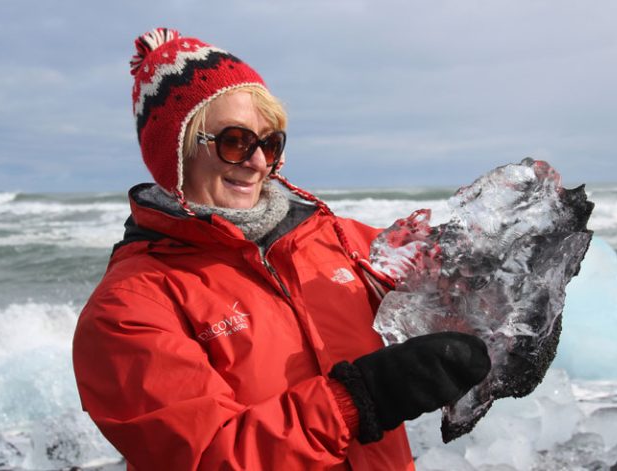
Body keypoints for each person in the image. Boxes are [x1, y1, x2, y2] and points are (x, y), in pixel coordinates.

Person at [72, 28, 491, 471]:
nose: (256, 162)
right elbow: (211, 456)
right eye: (235, 141)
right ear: (176, 152)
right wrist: (361, 399)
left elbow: (453, 290)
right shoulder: (128, 308)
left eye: (268, 143)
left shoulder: (338, 241)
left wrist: (497, 273)